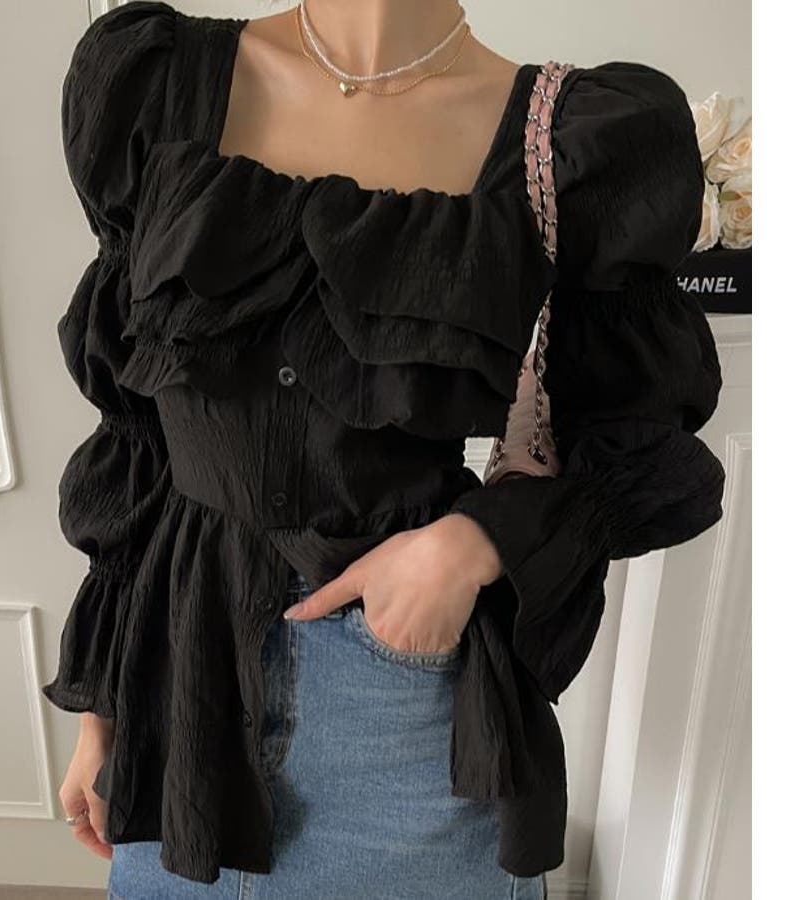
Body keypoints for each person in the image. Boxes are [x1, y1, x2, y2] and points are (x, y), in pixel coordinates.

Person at [41, 1, 726, 897]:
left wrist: (470, 545)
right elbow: (132, 428)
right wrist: (102, 705)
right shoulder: (156, 81)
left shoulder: (570, 136)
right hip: (178, 692)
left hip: (407, 701)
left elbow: (641, 439)